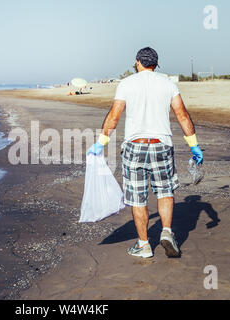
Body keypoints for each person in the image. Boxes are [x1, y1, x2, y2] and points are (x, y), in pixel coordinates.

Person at [87, 47, 203, 258]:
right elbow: (183, 116)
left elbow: (114, 116)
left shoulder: (127, 84)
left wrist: (101, 143)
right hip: (161, 145)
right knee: (165, 191)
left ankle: (144, 245)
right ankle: (166, 232)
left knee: (138, 198)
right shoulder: (168, 84)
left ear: (137, 62)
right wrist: (194, 145)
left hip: (135, 147)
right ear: (156, 64)